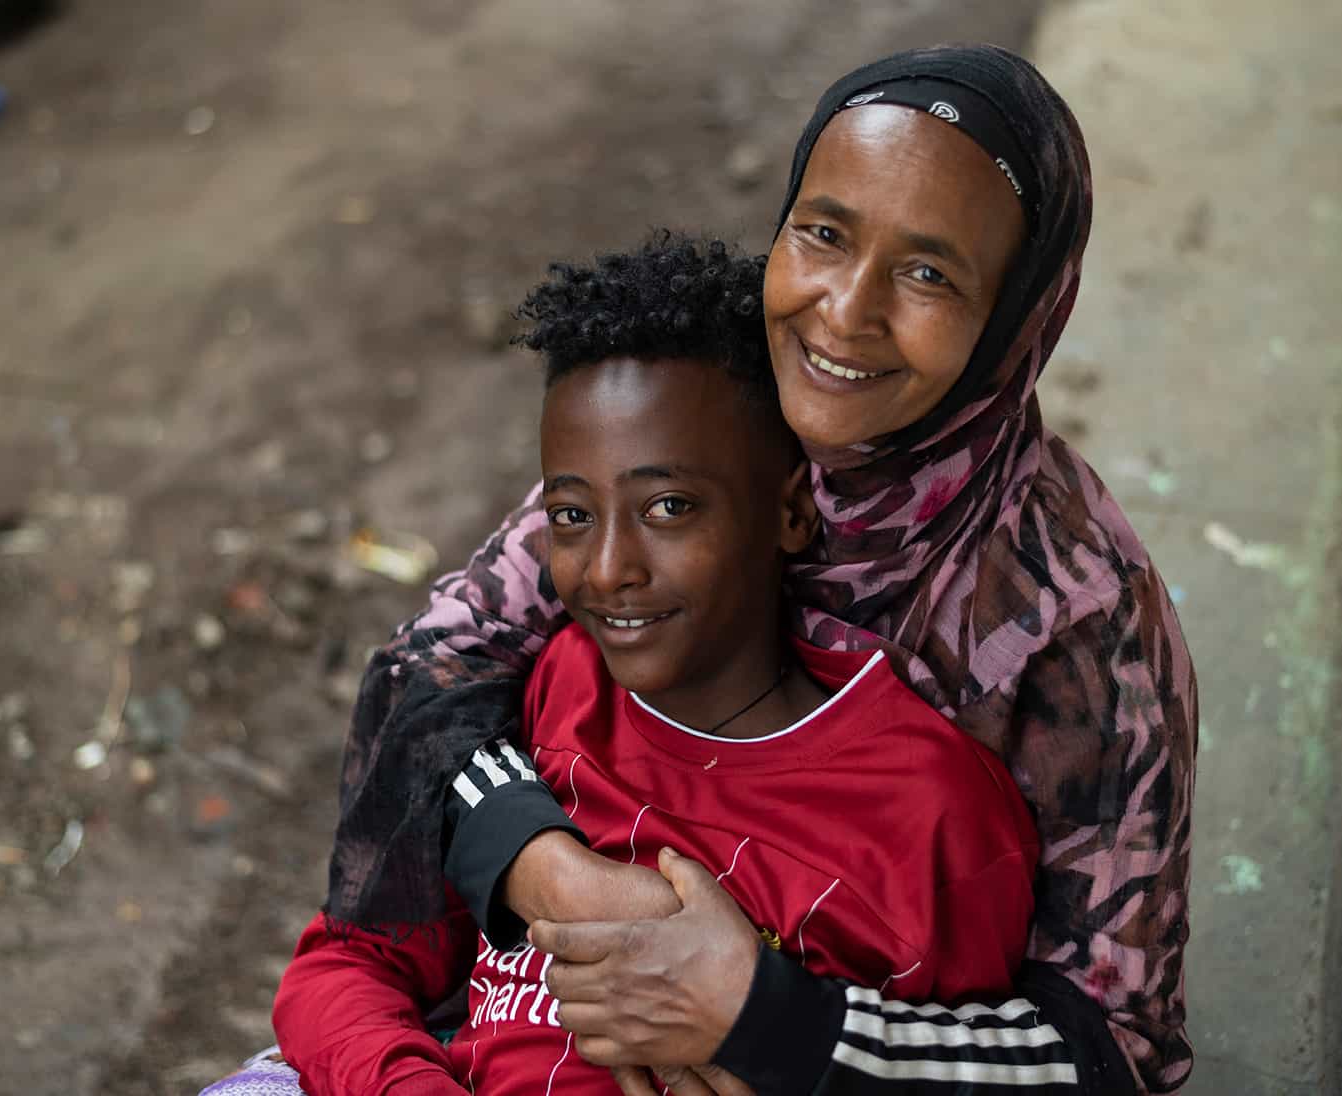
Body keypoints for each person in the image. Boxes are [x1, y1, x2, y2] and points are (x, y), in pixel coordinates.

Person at [324, 43, 1196, 1096]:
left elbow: (1115, 1048)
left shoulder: (1074, 619)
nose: (842, 311)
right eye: (822, 234)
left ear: (1016, 316)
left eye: (927, 272)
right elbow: (426, 681)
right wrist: (551, 873)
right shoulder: (704, 421)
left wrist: (767, 1017)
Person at [266, 236, 1040, 1096]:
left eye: (668, 507)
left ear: (788, 513)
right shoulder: (548, 691)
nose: (606, 570)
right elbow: (349, 963)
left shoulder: (924, 813)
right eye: (569, 514)